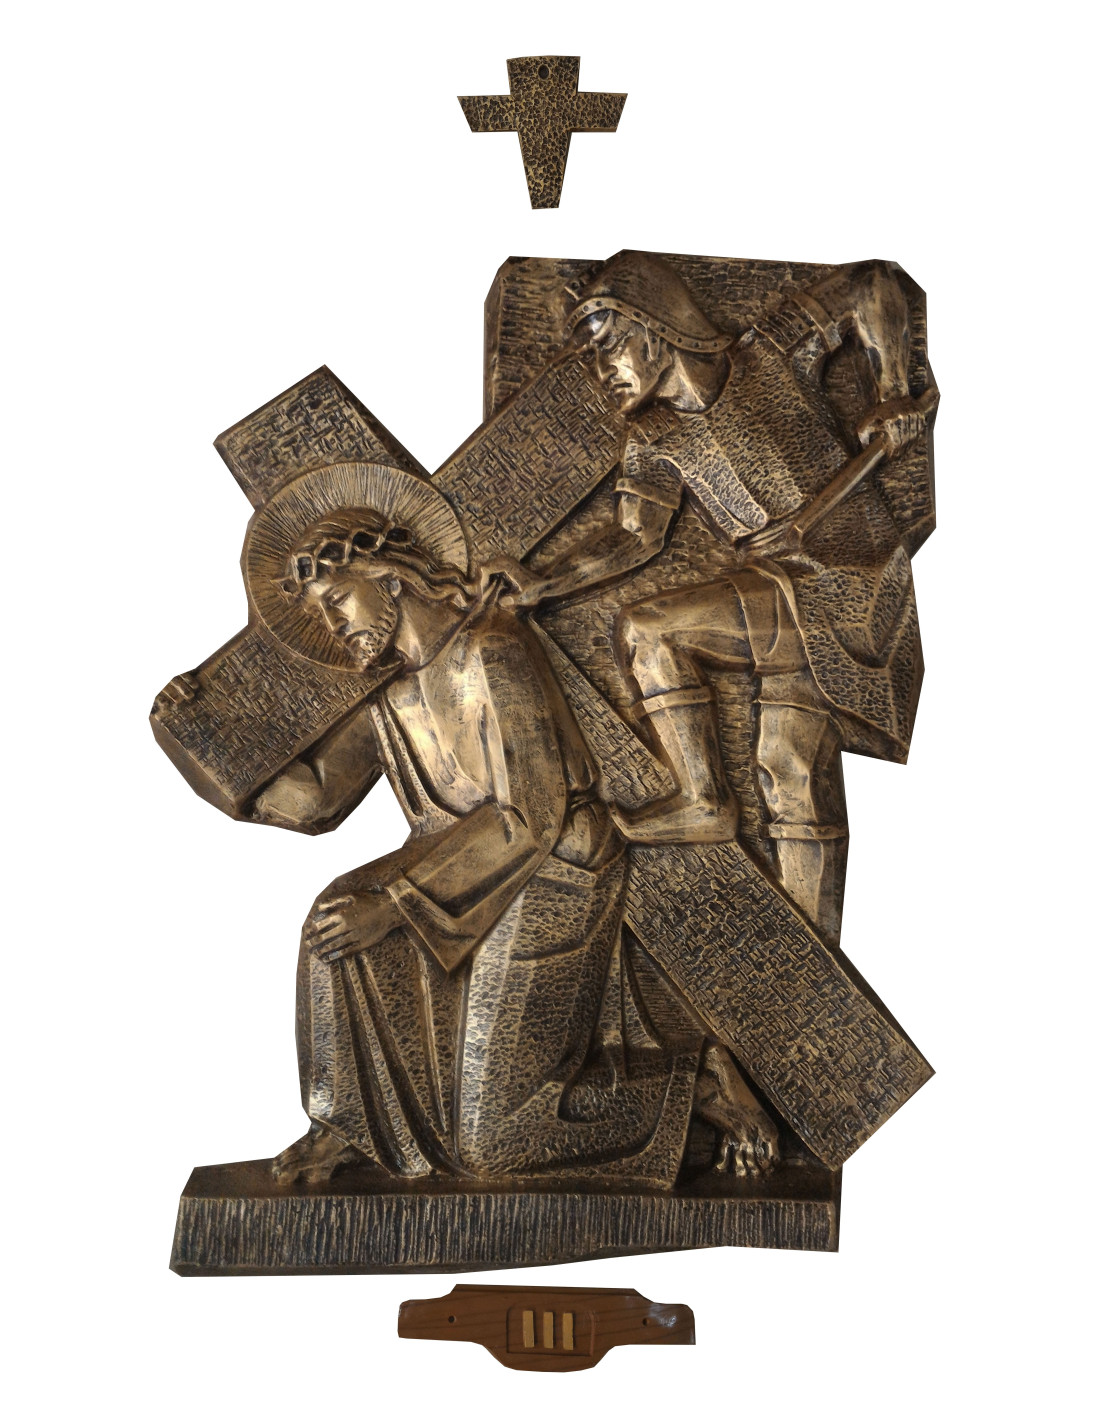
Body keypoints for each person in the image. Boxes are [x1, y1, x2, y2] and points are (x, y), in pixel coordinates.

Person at [243, 466, 776, 1184]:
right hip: (466, 869)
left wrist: (395, 905)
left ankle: (695, 1089)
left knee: (496, 1146)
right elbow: (312, 800)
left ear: (390, 580)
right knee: (333, 918)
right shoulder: (391, 695)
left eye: (337, 601)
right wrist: (202, 750)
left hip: (554, 873)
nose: (334, 626)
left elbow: (532, 814)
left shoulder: (490, 649)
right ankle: (351, 1127)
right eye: (322, 616)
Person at [485, 251, 936, 946]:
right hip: (782, 590)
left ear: (655, 326)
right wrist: (543, 584)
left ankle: (705, 802)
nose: (601, 371)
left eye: (608, 346)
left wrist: (894, 391)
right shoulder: (652, 437)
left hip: (852, 582)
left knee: (653, 633)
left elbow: (873, 282)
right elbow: (635, 538)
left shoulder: (769, 354)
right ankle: (811, 959)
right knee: (787, 771)